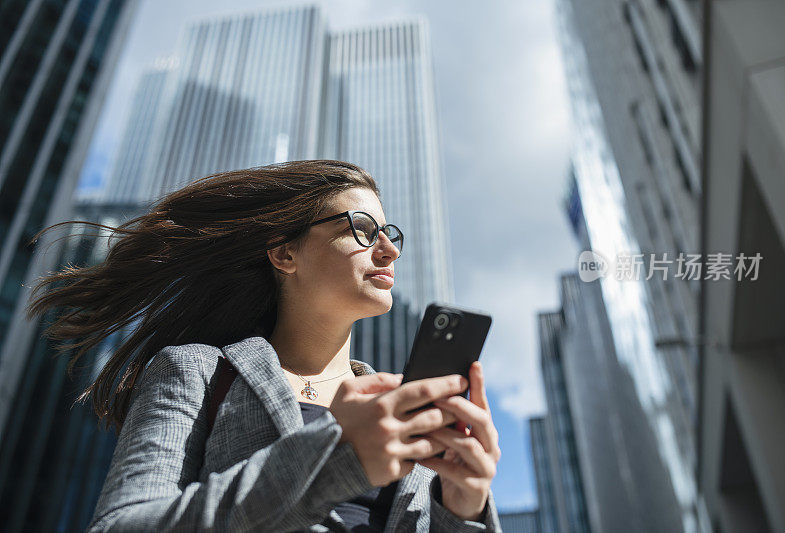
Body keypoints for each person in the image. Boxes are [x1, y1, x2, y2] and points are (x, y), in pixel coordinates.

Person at [27, 160, 502, 531]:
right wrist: (339, 455)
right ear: (284, 253)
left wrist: (463, 509)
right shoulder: (197, 371)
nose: (389, 249)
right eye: (361, 228)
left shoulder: (399, 408)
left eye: (389, 233)